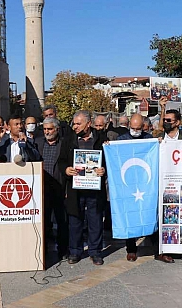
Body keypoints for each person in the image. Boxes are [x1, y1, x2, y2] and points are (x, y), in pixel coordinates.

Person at [117, 114, 175, 263]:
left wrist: (159, 144)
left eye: (138, 128)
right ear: (129, 125)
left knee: (151, 215)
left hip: (146, 184)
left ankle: (158, 251)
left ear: (143, 126)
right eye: (132, 128)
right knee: (131, 216)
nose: (135, 131)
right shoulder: (121, 140)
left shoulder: (148, 138)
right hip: (128, 185)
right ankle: (131, 249)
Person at [63, 111, 107, 266]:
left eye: (78, 123)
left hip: (95, 188)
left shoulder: (101, 139)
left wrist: (104, 170)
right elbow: (61, 161)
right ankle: (75, 251)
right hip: (76, 189)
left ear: (88, 124)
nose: (75, 127)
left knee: (95, 220)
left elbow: (109, 161)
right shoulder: (69, 139)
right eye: (74, 123)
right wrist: (66, 170)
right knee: (75, 220)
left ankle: (95, 252)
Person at [34, 116, 69, 259]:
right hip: (43, 189)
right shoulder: (38, 143)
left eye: (50, 129)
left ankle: (63, 250)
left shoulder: (65, 144)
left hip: (60, 188)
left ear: (57, 129)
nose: (47, 132)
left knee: (62, 221)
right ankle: (45, 251)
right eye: (45, 129)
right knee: (45, 221)